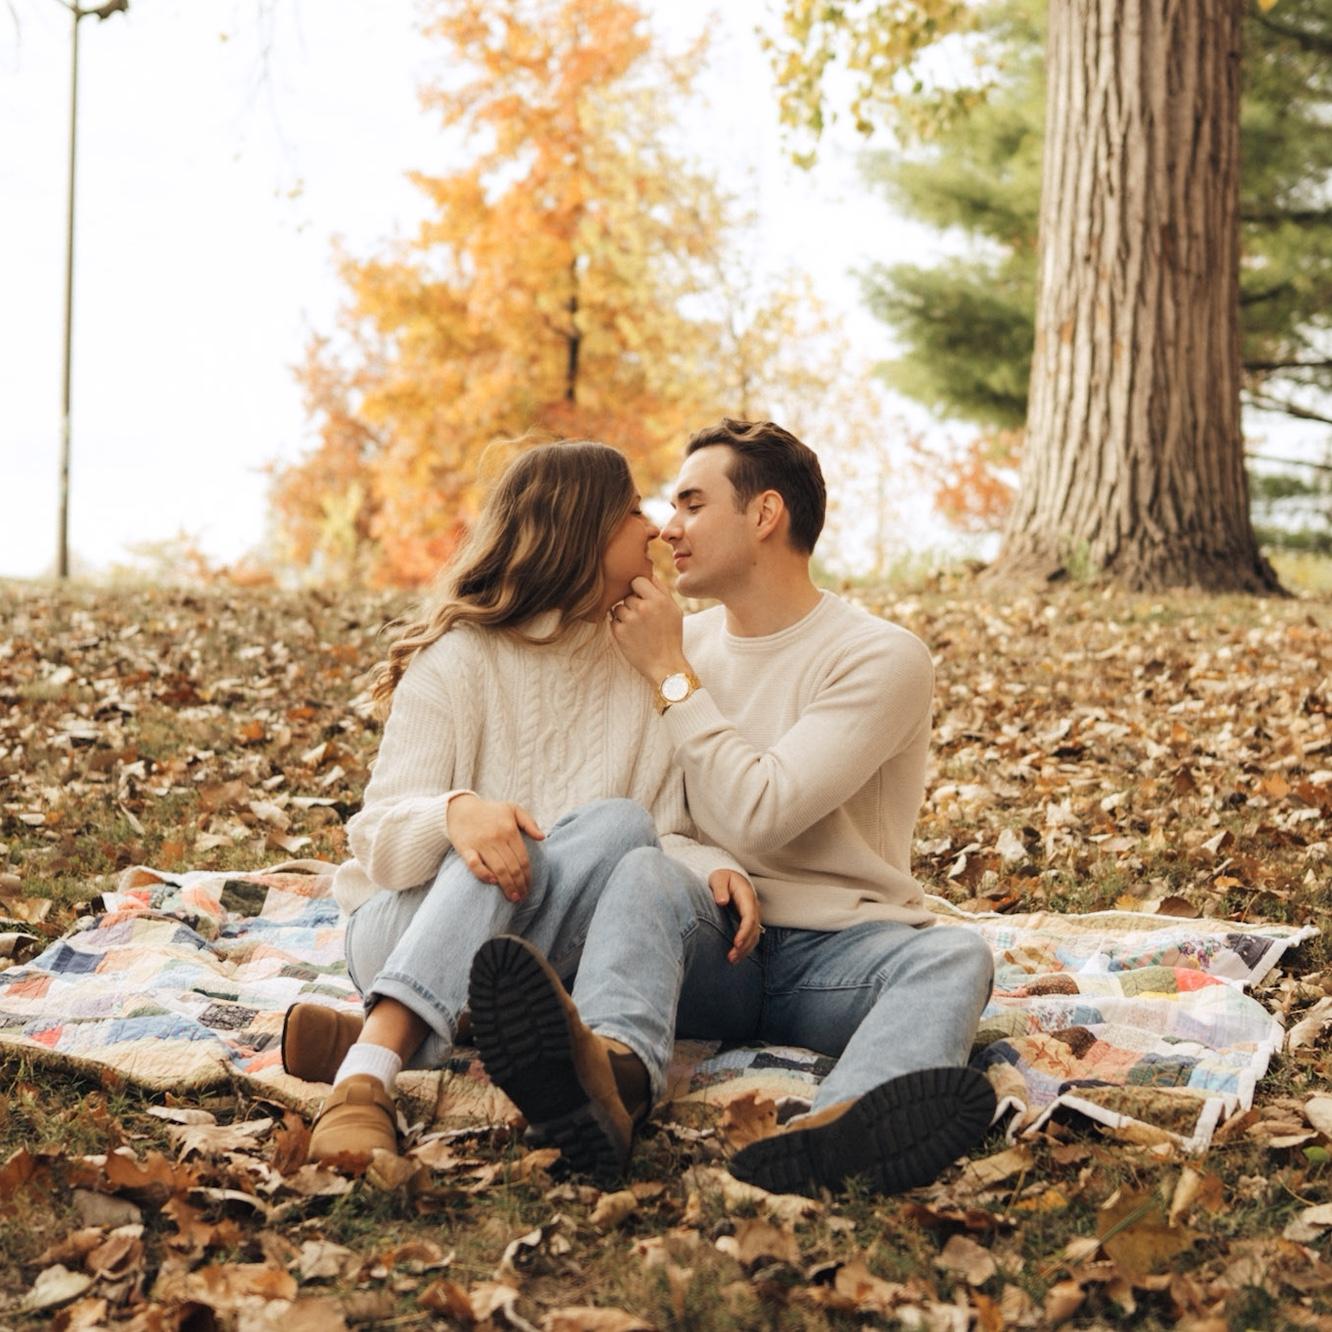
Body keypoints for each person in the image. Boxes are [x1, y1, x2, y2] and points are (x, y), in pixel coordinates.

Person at [468, 419, 995, 1198]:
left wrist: (674, 678)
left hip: (839, 952)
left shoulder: (879, 657)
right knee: (645, 869)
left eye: (690, 504)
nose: (665, 529)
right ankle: (610, 1084)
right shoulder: (673, 641)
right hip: (708, 942)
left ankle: (846, 1132)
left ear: (764, 515)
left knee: (957, 957)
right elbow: (635, 804)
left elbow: (761, 812)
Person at [286, 440, 759, 1169]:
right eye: (633, 508)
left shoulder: (640, 664)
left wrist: (714, 862)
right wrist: (457, 815)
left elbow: (663, 834)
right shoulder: (460, 659)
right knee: (543, 838)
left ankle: (387, 1040)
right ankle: (363, 1082)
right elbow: (374, 837)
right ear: (582, 530)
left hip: (541, 967)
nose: (657, 528)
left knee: (625, 826)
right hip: (404, 931)